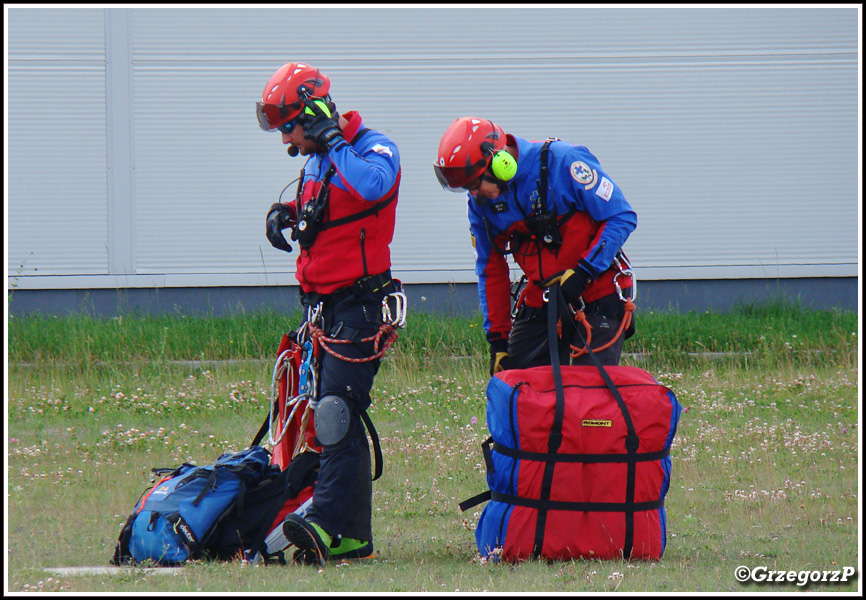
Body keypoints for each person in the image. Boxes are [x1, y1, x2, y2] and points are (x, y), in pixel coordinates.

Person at [256, 62, 402, 565]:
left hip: (364, 307)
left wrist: (336, 142)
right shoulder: (317, 162)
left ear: (314, 115)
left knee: (336, 413)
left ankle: (325, 522)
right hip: (325, 310)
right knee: (338, 415)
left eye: (290, 128)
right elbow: (330, 210)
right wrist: (287, 216)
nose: (287, 142)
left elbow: (374, 187)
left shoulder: (372, 149)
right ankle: (353, 537)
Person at [434, 117, 637, 374]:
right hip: (544, 297)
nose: (473, 194)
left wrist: (584, 271)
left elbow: (621, 216)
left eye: (475, 184)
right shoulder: (481, 207)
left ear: (501, 163)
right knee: (517, 384)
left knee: (589, 396)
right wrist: (497, 340)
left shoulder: (564, 162)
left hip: (597, 292)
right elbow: (490, 269)